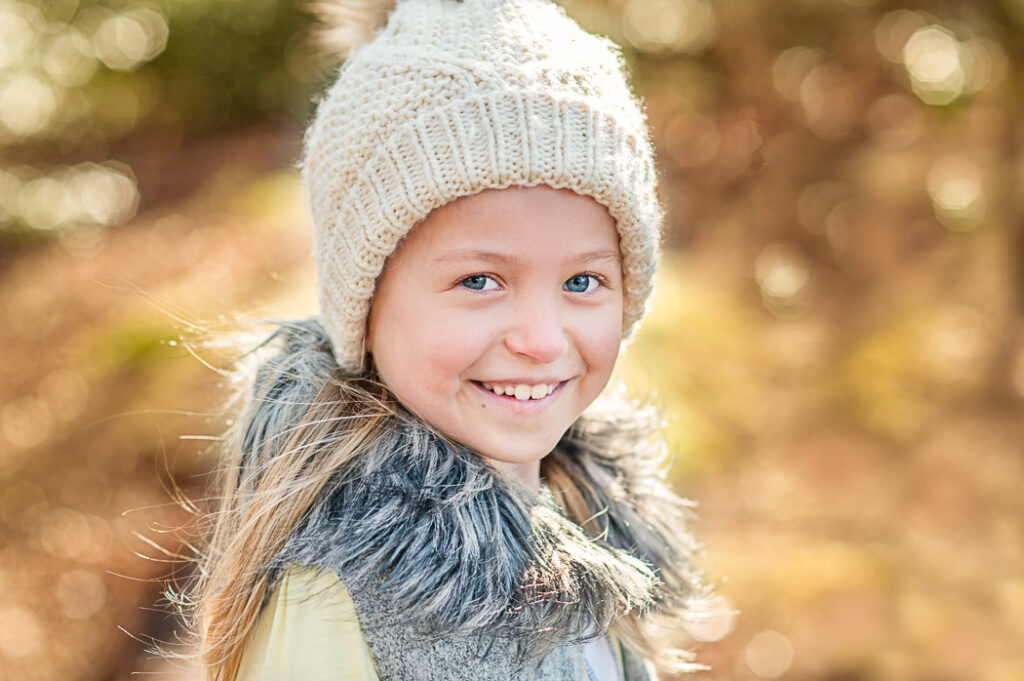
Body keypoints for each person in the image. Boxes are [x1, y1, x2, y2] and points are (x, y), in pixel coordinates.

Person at [185, 0, 711, 679]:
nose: (542, 339)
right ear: (366, 302)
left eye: (582, 282)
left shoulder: (588, 527)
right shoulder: (340, 594)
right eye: (481, 280)